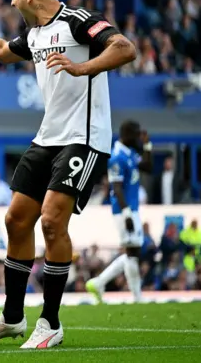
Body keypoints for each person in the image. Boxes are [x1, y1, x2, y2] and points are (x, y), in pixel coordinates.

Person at [0, 0, 137, 349]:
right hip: (48, 136)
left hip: (84, 138)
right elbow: (1, 50)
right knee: (16, 220)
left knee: (51, 221)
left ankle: (50, 322)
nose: (11, 1)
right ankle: (12, 318)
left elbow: (124, 48)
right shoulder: (34, 34)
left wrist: (82, 66)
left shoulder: (79, 20)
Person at [86, 121, 153, 303]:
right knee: (133, 253)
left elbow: (148, 167)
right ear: (127, 134)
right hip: (124, 210)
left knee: (132, 252)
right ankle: (137, 297)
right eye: (137, 134)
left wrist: (147, 145)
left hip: (132, 209)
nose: (139, 137)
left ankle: (99, 282)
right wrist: (126, 214)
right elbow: (117, 188)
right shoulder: (116, 157)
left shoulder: (130, 153)